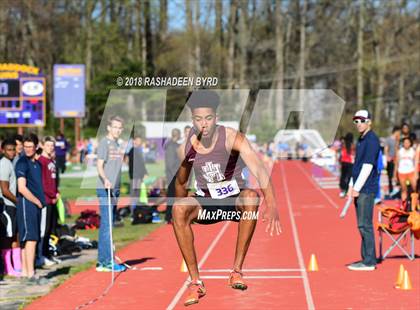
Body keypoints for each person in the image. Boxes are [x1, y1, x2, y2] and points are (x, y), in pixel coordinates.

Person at [172, 90, 281, 306]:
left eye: (209, 118)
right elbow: (180, 182)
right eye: (198, 119)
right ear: (192, 120)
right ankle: (196, 282)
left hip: (234, 201)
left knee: (251, 196)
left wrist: (272, 204)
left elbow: (259, 170)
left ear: (216, 118)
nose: (204, 124)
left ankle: (236, 271)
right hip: (207, 204)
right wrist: (177, 212)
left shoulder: (232, 138)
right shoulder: (185, 147)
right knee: (178, 209)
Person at [347, 110, 380, 271]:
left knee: (365, 225)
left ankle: (369, 261)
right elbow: (357, 166)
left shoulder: (372, 140)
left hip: (366, 189)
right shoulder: (361, 139)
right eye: (356, 121)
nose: (359, 124)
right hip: (360, 188)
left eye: (361, 120)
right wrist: (351, 186)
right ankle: (365, 258)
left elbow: (367, 166)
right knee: (361, 225)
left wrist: (357, 188)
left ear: (369, 122)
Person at [15, 134, 48, 284]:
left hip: (36, 205)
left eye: (30, 147)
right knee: (31, 239)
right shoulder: (22, 163)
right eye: (25, 146)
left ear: (36, 147)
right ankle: (30, 273)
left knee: (28, 239)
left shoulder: (38, 164)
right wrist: (37, 201)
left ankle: (25, 271)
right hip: (27, 204)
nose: (27, 149)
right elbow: (21, 188)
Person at [95, 115, 127, 272]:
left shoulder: (117, 144)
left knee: (108, 225)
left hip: (115, 189)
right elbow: (99, 165)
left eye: (120, 128)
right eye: (115, 127)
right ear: (109, 128)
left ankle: (102, 261)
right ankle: (107, 262)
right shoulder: (104, 143)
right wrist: (106, 179)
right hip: (105, 189)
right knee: (107, 226)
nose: (117, 130)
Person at [0, 137, 21, 276]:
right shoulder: (4, 164)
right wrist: (19, 201)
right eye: (9, 149)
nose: (12, 152)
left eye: (13, 149)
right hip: (7, 206)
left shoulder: (10, 162)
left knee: (15, 236)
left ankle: (17, 266)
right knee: (7, 237)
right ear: (2, 150)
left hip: (12, 205)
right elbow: (5, 190)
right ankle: (8, 267)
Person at [37, 136, 60, 266]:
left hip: (53, 199)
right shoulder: (41, 161)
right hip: (46, 200)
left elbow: (53, 182)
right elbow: (43, 183)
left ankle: (47, 254)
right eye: (48, 145)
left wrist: (57, 193)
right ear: (43, 146)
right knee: (43, 229)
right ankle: (41, 256)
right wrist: (52, 195)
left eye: (52, 146)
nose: (50, 148)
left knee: (50, 228)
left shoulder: (51, 161)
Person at [127, 135, 148, 211]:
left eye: (140, 140)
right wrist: (144, 172)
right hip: (135, 176)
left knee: (137, 194)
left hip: (138, 176)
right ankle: (133, 210)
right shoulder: (133, 150)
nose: (140, 142)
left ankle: (135, 210)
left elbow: (141, 163)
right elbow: (138, 164)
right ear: (134, 141)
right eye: (138, 140)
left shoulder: (137, 150)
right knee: (134, 194)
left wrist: (144, 173)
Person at [164, 128, 181, 223]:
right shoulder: (171, 146)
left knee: (175, 196)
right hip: (172, 176)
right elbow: (170, 164)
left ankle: (172, 216)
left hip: (174, 174)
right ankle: (169, 217)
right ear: (177, 135)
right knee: (171, 196)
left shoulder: (176, 145)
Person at [394, 137, 416, 203]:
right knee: (404, 189)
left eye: (408, 142)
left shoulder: (413, 151)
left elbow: (416, 161)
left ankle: (415, 204)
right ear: (403, 143)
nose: (406, 144)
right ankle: (404, 204)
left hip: (411, 172)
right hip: (402, 172)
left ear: (410, 143)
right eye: (405, 143)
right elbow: (396, 164)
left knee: (415, 188)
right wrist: (394, 175)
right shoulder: (400, 151)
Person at [384, 126, 400, 196]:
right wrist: (387, 158)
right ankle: (391, 190)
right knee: (390, 176)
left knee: (397, 175)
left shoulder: (398, 140)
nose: (399, 133)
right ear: (395, 131)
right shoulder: (388, 139)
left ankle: (397, 191)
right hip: (390, 160)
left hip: (396, 160)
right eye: (398, 132)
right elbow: (386, 149)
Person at [339, 133, 354, 198]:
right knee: (349, 177)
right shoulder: (352, 145)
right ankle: (347, 189)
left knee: (343, 176)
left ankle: (343, 189)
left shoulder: (343, 144)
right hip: (349, 163)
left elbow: (341, 138)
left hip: (344, 162)